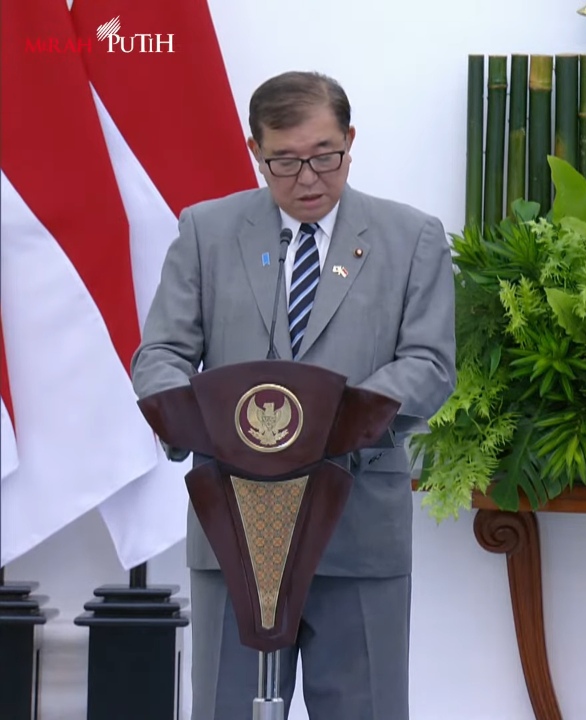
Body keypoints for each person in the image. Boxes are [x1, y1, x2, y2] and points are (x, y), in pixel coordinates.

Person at [131, 71, 456, 720]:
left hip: (358, 524)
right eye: (284, 161)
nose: (308, 178)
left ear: (350, 140)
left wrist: (336, 420)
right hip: (233, 527)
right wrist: (196, 421)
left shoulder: (412, 237)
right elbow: (160, 356)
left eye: (324, 156)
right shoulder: (205, 231)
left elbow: (429, 363)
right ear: (255, 149)